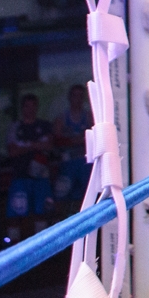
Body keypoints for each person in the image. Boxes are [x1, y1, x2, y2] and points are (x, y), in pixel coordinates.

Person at [5, 94, 56, 239]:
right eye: (27, 106)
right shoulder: (15, 127)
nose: (30, 109)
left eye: (33, 106)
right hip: (20, 177)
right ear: (22, 108)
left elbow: (49, 145)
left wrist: (24, 146)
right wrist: (35, 145)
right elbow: (12, 151)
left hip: (41, 178)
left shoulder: (45, 126)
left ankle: (42, 248)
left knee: (42, 213)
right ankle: (14, 248)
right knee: (15, 215)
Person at [54, 83, 93, 211]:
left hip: (85, 162)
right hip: (68, 163)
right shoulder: (62, 118)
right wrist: (75, 140)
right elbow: (56, 141)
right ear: (70, 98)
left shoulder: (89, 117)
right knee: (62, 195)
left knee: (87, 194)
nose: (78, 99)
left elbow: (94, 138)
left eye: (80, 96)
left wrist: (75, 140)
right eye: (75, 96)